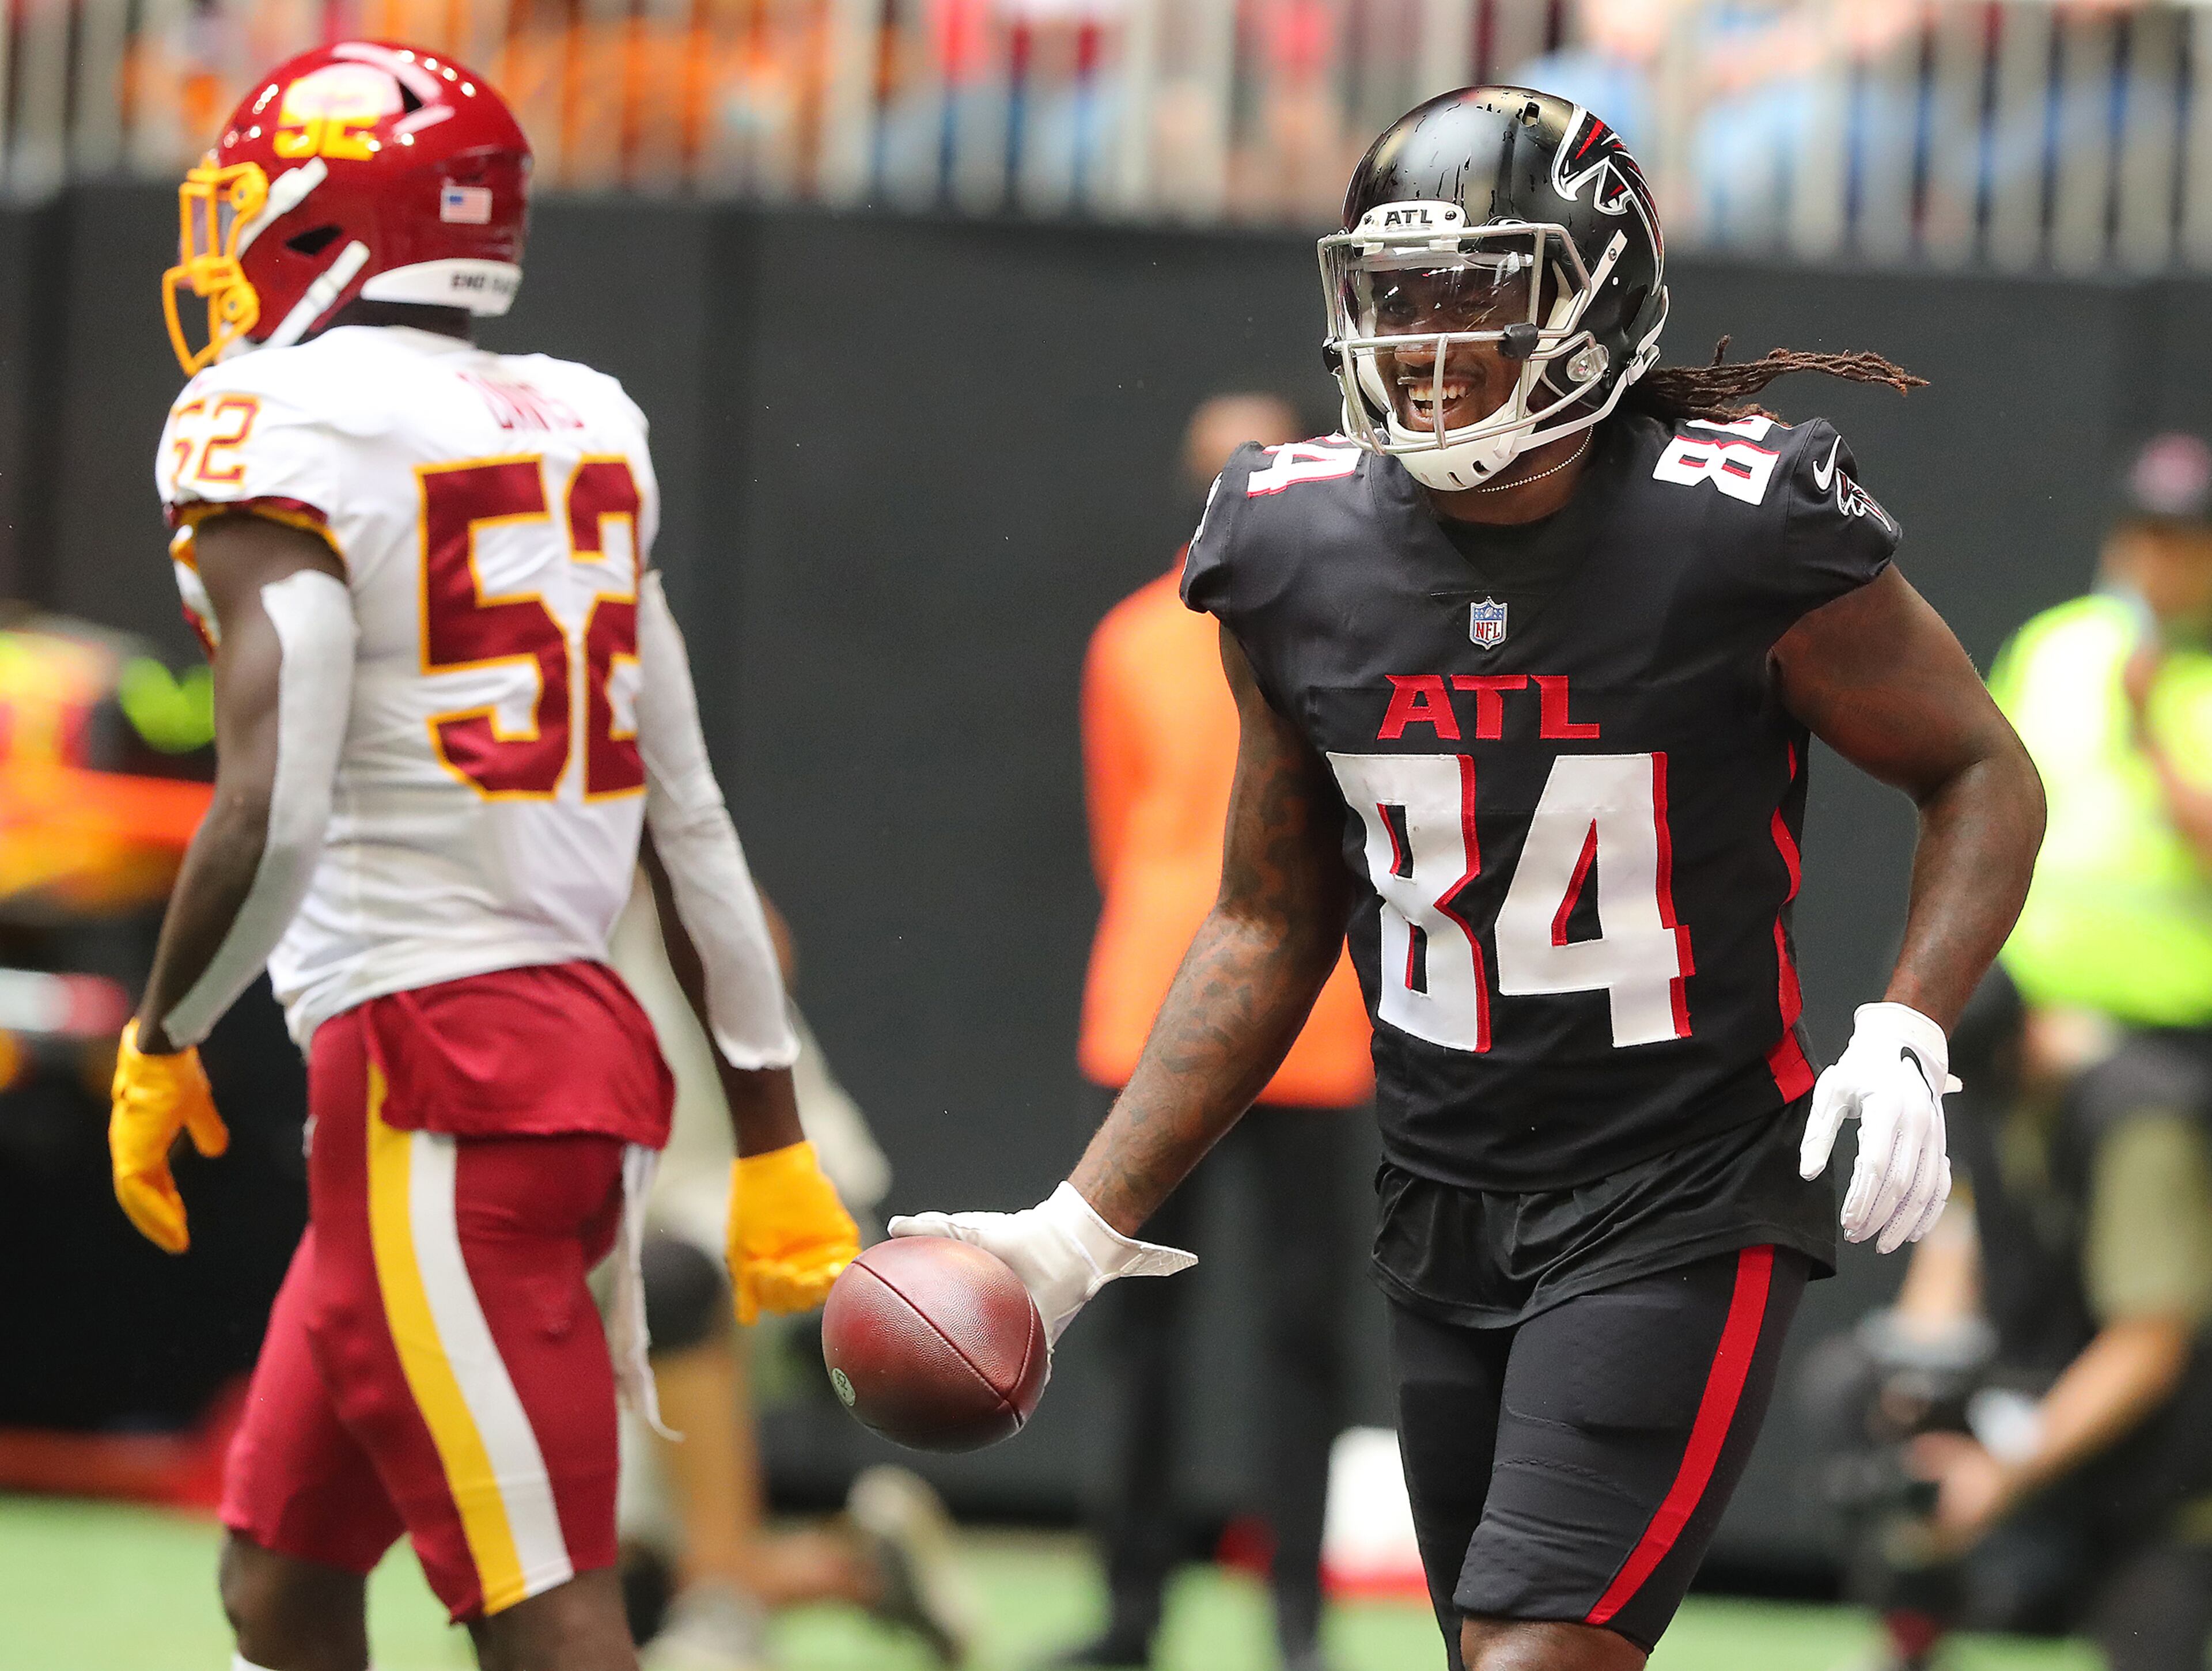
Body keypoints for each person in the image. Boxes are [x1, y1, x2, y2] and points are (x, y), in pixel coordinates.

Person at [889, 87, 2044, 1671]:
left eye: (1477, 295)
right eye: (1396, 296)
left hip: (1679, 1182)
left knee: (1534, 1653)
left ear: (1599, 297)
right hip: (1439, 1191)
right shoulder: (1292, 549)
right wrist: (1081, 1226)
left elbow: (1981, 767)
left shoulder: (1741, 531)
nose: (1426, 343)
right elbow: (1271, 910)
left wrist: (1911, 1022)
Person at [107, 42, 861, 1671]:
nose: (227, 239)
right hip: (573, 1053)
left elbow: (275, 796)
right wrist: (771, 1125)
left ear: (327, 216)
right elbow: (693, 809)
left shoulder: (273, 417)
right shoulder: (581, 416)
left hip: (429, 1071)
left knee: (545, 1602)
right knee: (282, 1576)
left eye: (249, 201)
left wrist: (164, 1028)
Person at [1831, 431, 2212, 1671]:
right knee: (1877, 1387)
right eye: (2147, 531)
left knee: (2151, 1330)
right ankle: (1913, 1617)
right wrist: (1926, 1373)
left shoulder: (2187, 685)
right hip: (2029, 1025)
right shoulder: (2058, 646)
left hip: (2172, 1052)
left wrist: (2158, 729)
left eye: (2187, 537)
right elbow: (1985, 801)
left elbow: (2151, 1334)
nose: (2161, 558)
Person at [1053, 393, 1373, 1671]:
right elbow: (1125, 826)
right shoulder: (1145, 638)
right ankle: (1144, 1613)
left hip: (1288, 1028)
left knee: (1294, 1338)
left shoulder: (1327, 629)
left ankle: (1290, 1617)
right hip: (1166, 1022)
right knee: (1145, 1333)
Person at [605, 879, 975, 1671]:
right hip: (625, 1269)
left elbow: (766, 954)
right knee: (610, 1609)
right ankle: (858, 1570)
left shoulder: (658, 877)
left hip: (788, 1227)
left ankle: (723, 1607)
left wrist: (654, 849)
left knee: (665, 1278)